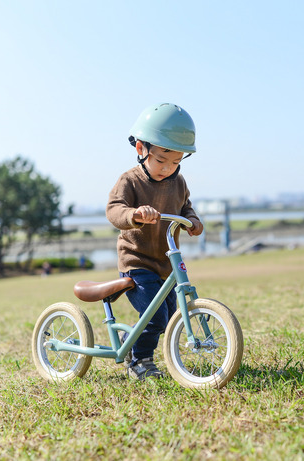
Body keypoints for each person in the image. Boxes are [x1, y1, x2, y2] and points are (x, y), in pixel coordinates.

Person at [106, 103, 204, 380]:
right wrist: (134, 214)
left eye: (176, 162)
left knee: (172, 315)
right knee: (156, 317)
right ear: (141, 149)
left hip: (166, 263)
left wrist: (193, 220)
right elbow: (114, 210)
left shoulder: (178, 182)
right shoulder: (130, 181)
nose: (168, 168)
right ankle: (139, 360)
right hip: (137, 262)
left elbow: (185, 207)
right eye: (161, 160)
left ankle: (136, 340)